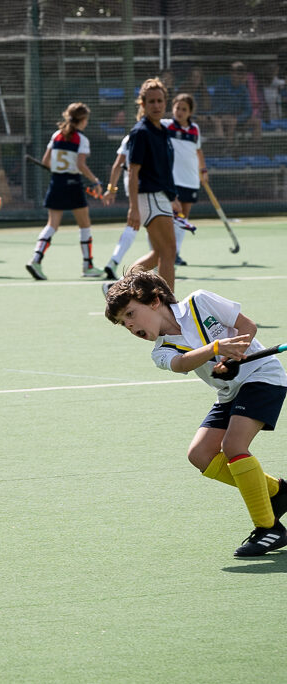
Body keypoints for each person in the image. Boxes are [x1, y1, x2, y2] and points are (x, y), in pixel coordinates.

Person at [105, 269, 287, 558]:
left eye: (130, 314)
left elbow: (247, 325)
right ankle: (277, 492)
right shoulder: (161, 351)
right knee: (200, 454)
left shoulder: (200, 302)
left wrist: (235, 352)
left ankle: (269, 528)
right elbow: (182, 363)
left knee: (233, 446)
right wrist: (215, 348)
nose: (129, 325)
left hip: (262, 376)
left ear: (154, 301)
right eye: (123, 323)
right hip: (229, 393)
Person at [25, 102, 105, 281]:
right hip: (73, 184)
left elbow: (46, 162)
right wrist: (95, 181)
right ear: (82, 120)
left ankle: (36, 259)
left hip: (56, 183)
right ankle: (88, 265)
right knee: (84, 225)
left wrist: (59, 170)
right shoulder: (81, 139)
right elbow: (80, 165)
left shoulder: (57, 135)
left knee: (52, 224)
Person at [124, 77, 181, 291]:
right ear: (143, 104)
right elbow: (133, 172)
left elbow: (163, 170)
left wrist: (172, 197)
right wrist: (133, 208)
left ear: (165, 102)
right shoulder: (141, 132)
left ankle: (118, 287)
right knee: (168, 251)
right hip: (149, 196)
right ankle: (169, 304)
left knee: (160, 252)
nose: (156, 105)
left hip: (161, 196)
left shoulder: (162, 130)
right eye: (151, 101)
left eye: (159, 101)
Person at [162, 93, 208, 266]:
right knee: (172, 217)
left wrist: (203, 170)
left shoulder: (195, 128)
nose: (179, 112)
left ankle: (176, 253)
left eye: (184, 109)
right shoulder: (165, 125)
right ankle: (167, 252)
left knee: (183, 218)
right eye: (177, 108)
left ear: (190, 112)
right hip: (173, 180)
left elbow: (198, 151)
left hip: (191, 180)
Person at [101, 134, 137, 279]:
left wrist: (111, 190)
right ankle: (115, 262)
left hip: (132, 187)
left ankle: (114, 261)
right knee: (148, 225)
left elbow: (117, 165)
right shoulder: (150, 134)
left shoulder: (129, 138)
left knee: (143, 225)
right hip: (150, 188)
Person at [211, 61, 261, 142]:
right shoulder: (222, 83)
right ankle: (228, 147)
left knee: (257, 121)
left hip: (237, 117)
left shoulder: (243, 89)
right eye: (236, 72)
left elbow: (248, 110)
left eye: (241, 73)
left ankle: (255, 147)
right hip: (221, 116)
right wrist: (227, 115)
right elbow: (218, 104)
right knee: (231, 122)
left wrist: (238, 118)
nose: (238, 75)